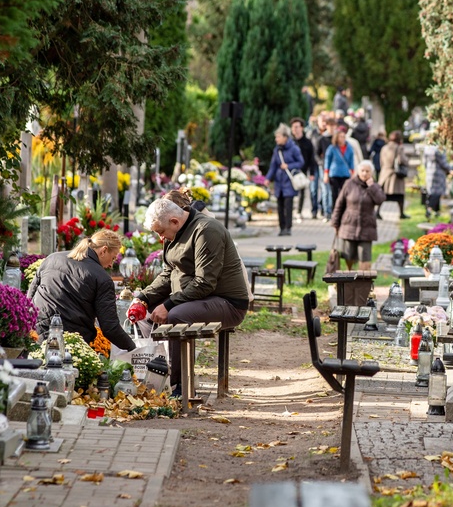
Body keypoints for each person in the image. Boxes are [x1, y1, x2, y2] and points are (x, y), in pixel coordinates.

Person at [130, 199, 249, 388]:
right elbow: (168, 274)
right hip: (196, 297)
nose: (161, 238)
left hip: (228, 302)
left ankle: (179, 386)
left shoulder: (206, 230)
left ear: (174, 222)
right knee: (145, 314)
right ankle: (156, 374)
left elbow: (205, 283)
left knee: (176, 315)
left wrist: (168, 305)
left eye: (161, 232)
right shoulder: (172, 233)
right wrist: (143, 297)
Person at [29, 229, 135, 351]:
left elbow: (30, 297)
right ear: (104, 250)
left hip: (37, 334)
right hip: (70, 342)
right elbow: (110, 327)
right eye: (113, 258)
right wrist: (132, 348)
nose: (111, 264)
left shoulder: (52, 258)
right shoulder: (102, 278)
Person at [330, 160, 386, 270]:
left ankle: (363, 283)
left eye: (367, 171)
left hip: (367, 227)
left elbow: (380, 200)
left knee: (365, 257)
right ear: (358, 171)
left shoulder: (375, 186)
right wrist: (335, 223)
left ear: (371, 173)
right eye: (362, 171)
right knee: (348, 255)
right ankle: (349, 278)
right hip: (349, 225)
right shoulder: (349, 184)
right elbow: (339, 204)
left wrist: (371, 187)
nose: (365, 173)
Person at [265, 123, 305, 236]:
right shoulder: (277, 150)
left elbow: (301, 162)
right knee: (280, 206)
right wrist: (268, 178)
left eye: (278, 137)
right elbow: (273, 166)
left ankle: (288, 228)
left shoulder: (294, 148)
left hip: (289, 181)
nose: (276, 139)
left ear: (285, 137)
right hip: (279, 182)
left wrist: (289, 166)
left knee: (288, 206)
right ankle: (282, 228)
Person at [290, 117, 317, 224]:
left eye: (297, 127)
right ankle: (290, 212)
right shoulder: (290, 142)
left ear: (302, 128)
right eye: (293, 127)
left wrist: (312, 173)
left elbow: (311, 158)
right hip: (291, 172)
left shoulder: (307, 142)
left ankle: (298, 212)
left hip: (303, 171)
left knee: (301, 192)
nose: (295, 129)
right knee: (290, 193)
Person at [377, 131, 409, 219]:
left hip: (385, 173)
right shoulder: (399, 148)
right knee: (400, 195)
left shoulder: (384, 147)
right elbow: (401, 160)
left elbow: (381, 161)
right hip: (395, 175)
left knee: (383, 195)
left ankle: (377, 212)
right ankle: (401, 213)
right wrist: (407, 161)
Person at [323, 129, 355, 211]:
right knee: (334, 194)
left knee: (344, 193)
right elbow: (327, 161)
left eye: (344, 137)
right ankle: (334, 210)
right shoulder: (332, 148)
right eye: (340, 137)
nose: (342, 138)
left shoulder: (349, 148)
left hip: (345, 173)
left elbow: (351, 161)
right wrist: (326, 173)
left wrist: (352, 172)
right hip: (334, 173)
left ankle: (344, 210)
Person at [422, 144, 453, 220]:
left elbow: (424, 162)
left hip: (430, 172)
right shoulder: (439, 150)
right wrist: (452, 169)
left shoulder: (427, 148)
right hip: (439, 173)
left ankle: (436, 211)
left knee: (432, 192)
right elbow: (443, 163)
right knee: (437, 193)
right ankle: (429, 209)